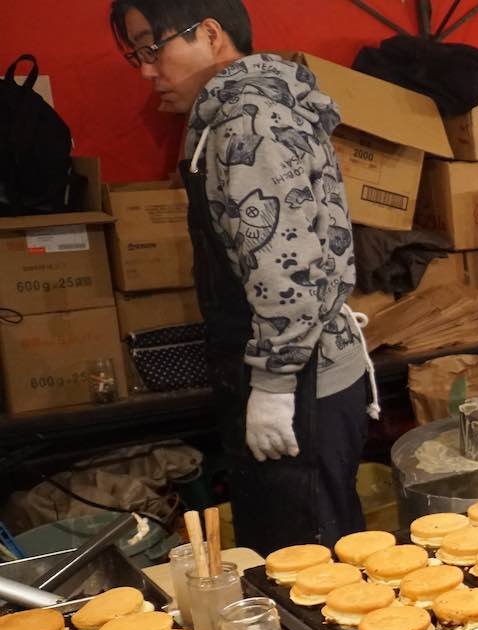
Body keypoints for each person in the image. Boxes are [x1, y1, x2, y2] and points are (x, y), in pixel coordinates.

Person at [111, 0, 377, 553]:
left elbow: (290, 265)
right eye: (135, 54)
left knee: (306, 567)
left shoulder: (249, 122)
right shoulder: (229, 114)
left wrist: (275, 387)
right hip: (284, 371)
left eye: (152, 48)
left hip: (302, 382)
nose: (145, 70)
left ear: (210, 33)